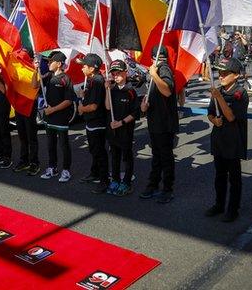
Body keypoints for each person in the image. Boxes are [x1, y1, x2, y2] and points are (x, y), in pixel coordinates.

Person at [205, 58, 249, 222]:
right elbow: (210, 112)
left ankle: (233, 208)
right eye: (219, 73)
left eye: (225, 73)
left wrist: (219, 97)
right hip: (219, 139)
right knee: (219, 175)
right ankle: (219, 204)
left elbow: (231, 116)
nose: (221, 76)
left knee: (235, 177)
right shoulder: (219, 91)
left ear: (236, 75)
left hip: (233, 140)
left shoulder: (239, 93)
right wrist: (213, 120)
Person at [140, 46, 179, 203]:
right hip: (154, 121)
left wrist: (154, 74)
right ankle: (153, 184)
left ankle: (167, 189)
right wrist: (144, 106)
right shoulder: (155, 71)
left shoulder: (163, 69)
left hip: (165, 123)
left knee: (165, 158)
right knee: (156, 156)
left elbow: (167, 90)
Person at [32, 51, 74, 183]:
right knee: (50, 144)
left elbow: (68, 100)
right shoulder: (49, 76)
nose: (48, 63)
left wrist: (53, 110)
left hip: (61, 118)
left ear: (59, 64)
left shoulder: (65, 79)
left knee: (63, 145)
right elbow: (34, 85)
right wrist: (35, 70)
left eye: (51, 61)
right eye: (48, 61)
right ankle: (52, 167)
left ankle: (66, 170)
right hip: (49, 117)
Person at [105, 59, 140, 196]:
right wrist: (107, 90)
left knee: (127, 157)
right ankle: (115, 179)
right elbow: (108, 107)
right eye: (113, 74)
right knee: (114, 157)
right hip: (112, 132)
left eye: (118, 73)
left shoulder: (130, 91)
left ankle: (126, 182)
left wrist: (121, 123)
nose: (116, 76)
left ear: (125, 73)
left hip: (125, 130)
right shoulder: (112, 89)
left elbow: (135, 113)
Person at [76, 53, 109, 193]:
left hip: (98, 122)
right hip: (91, 122)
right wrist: (83, 96)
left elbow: (94, 106)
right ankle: (94, 172)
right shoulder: (90, 80)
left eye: (84, 66)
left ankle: (104, 180)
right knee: (94, 150)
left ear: (91, 68)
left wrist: (81, 108)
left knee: (100, 152)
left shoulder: (97, 81)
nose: (82, 68)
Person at [14, 48, 40, 176]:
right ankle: (24, 160)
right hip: (19, 107)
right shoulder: (16, 68)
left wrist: (35, 70)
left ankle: (34, 163)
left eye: (22, 56)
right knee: (22, 136)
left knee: (31, 137)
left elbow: (35, 86)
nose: (19, 58)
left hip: (29, 107)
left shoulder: (34, 70)